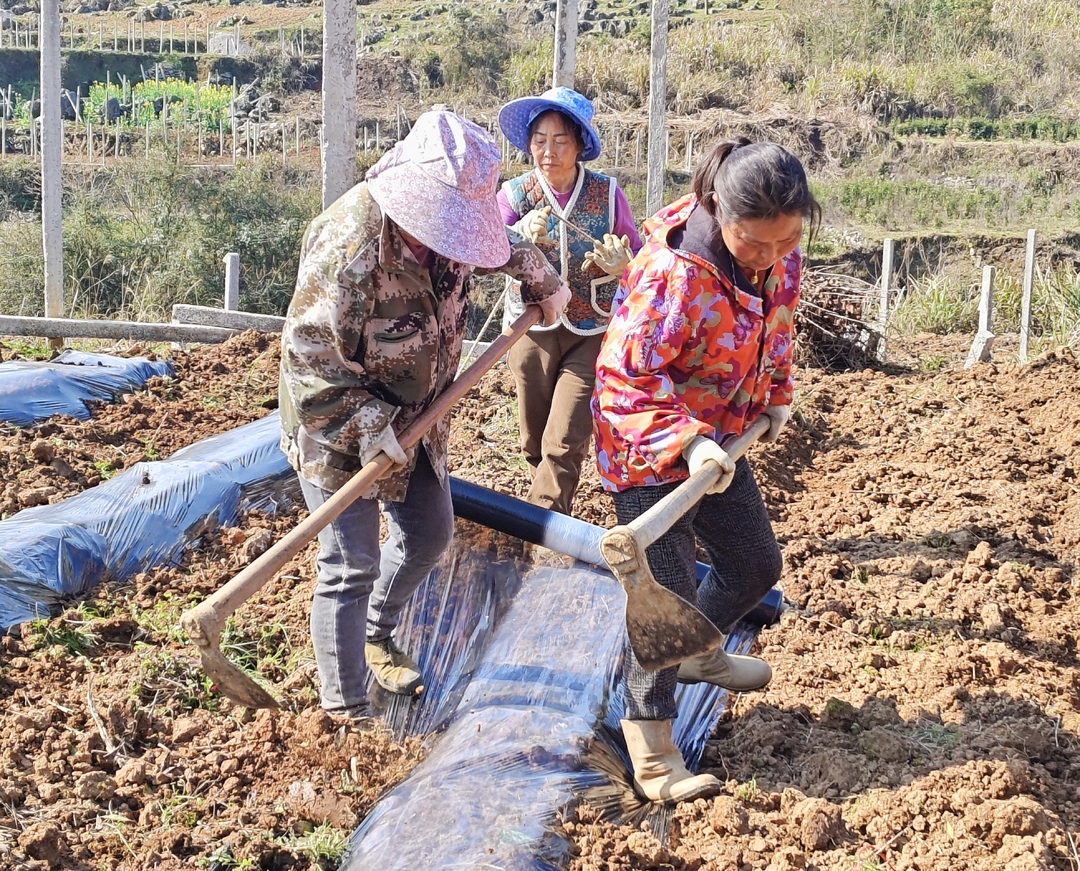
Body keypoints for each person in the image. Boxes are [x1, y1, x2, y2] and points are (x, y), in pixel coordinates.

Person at [278, 110, 571, 719]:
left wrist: (543, 280)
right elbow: (309, 363)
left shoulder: (457, 235)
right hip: (335, 420)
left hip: (421, 413)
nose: (451, 241)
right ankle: (345, 708)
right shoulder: (348, 244)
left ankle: (376, 632)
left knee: (429, 535)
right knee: (348, 563)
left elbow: (501, 248)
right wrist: (366, 428)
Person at [592, 138, 820, 802]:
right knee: (661, 601)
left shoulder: (779, 254)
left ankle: (698, 650)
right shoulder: (673, 272)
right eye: (754, 245)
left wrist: (774, 394)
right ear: (719, 210)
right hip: (649, 449)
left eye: (785, 242)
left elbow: (776, 325)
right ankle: (653, 754)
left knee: (754, 564)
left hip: (719, 440)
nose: (771, 257)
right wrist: (686, 442)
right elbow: (622, 380)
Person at [496, 86, 642, 516]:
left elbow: (639, 258)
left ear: (580, 145)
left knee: (564, 439)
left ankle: (541, 529)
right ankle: (543, 493)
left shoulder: (608, 193)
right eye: (539, 139)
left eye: (560, 140)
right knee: (535, 439)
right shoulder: (514, 195)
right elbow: (484, 254)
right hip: (531, 330)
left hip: (590, 330)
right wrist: (516, 237)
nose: (548, 150)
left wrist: (623, 264)